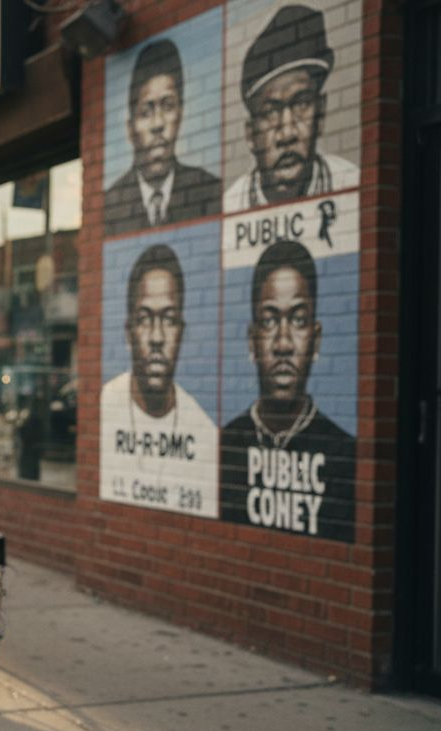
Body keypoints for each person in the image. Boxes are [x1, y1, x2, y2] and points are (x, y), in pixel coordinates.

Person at [220, 241, 354, 541]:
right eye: (269, 321)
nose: (283, 344)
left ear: (316, 341)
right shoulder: (223, 447)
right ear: (252, 341)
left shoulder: (346, 455)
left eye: (298, 320)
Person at [99, 244, 217, 516]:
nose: (156, 338)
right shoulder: (102, 405)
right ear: (129, 333)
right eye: (144, 319)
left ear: (182, 333)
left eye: (168, 319)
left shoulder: (203, 429)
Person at [225, 3, 359, 211]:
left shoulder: (351, 187)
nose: (287, 134)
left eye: (301, 104)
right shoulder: (231, 205)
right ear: (251, 135)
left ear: (320, 114)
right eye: (270, 112)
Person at [104, 39, 221, 236]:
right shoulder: (108, 205)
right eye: (145, 111)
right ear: (130, 127)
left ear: (181, 114)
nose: (158, 124)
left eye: (168, 106)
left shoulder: (210, 191)